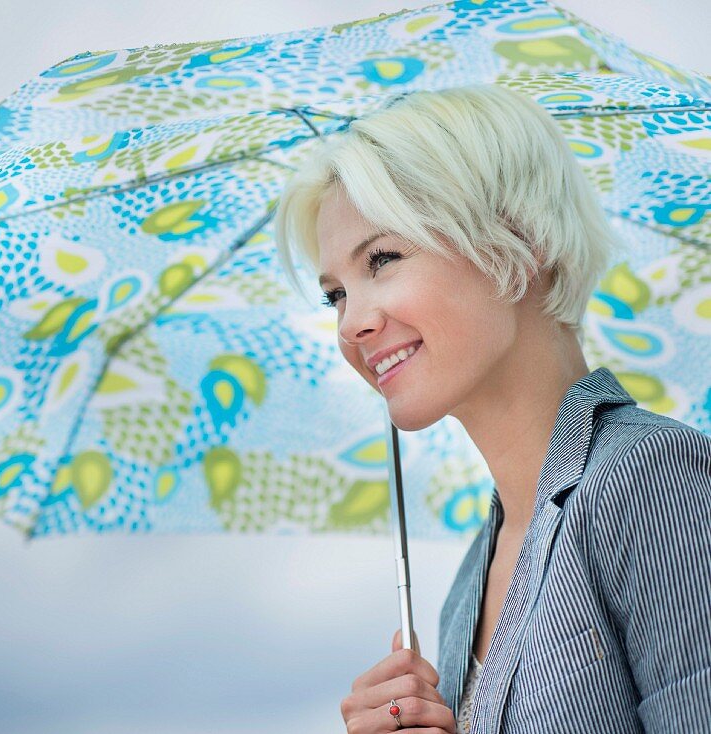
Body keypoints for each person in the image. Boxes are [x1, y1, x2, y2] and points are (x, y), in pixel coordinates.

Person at [272, 84, 711, 733]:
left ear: (518, 243)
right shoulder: (462, 596)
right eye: (335, 295)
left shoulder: (650, 475)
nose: (352, 325)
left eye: (384, 259)